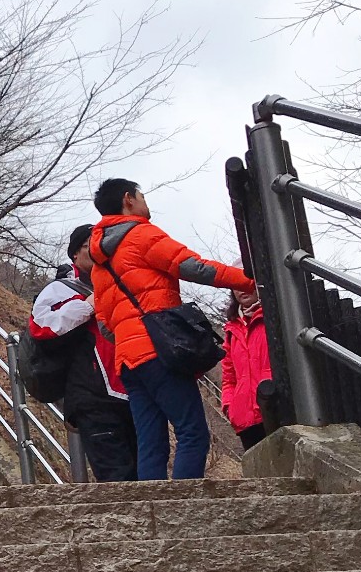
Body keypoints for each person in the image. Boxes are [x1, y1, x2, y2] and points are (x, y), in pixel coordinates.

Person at [87, 177, 255, 481]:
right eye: (141, 195)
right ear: (128, 200)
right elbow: (192, 266)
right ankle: (185, 509)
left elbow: (105, 325)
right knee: (192, 432)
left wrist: (130, 334)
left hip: (128, 362)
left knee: (151, 443)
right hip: (158, 352)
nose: (144, 202)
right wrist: (248, 280)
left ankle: (156, 509)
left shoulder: (100, 264)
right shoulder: (140, 235)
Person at [29, 225, 138, 481]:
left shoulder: (123, 283)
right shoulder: (62, 289)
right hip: (93, 398)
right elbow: (41, 328)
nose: (99, 249)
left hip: (135, 392)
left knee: (146, 474)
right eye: (90, 244)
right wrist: (86, 306)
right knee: (117, 478)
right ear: (75, 254)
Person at [221, 287, 272, 451]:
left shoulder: (274, 317)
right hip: (245, 420)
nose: (242, 288)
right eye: (235, 284)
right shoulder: (232, 329)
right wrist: (229, 406)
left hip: (276, 408)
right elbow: (229, 377)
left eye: (247, 282)